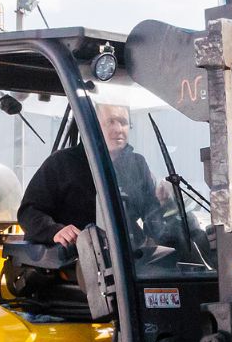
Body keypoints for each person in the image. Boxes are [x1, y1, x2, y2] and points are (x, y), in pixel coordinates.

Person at [18, 103, 160, 246]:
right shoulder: (62, 163)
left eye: (123, 122)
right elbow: (29, 212)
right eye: (111, 122)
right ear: (93, 126)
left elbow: (152, 214)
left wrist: (167, 205)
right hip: (78, 255)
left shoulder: (137, 164)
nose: (118, 129)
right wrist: (55, 231)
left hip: (127, 255)